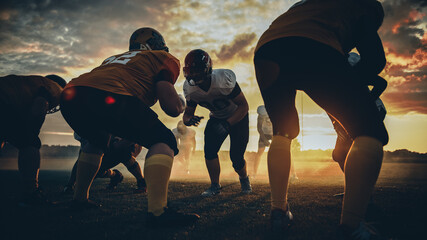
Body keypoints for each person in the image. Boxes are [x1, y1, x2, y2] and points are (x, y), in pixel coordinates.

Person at [253, 0, 389, 239]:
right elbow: (375, 60)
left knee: (282, 131)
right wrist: (347, 85)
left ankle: (278, 211)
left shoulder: (305, 7)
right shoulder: (362, 7)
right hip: (314, 45)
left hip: (267, 49)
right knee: (370, 130)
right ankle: (352, 227)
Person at [60, 27, 199, 226]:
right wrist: (182, 102)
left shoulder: (113, 58)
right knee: (164, 140)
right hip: (109, 94)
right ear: (157, 45)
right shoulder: (162, 57)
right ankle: (158, 212)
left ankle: (79, 199)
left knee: (96, 141)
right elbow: (171, 108)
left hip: (72, 95)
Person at [182, 49, 252, 197]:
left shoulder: (222, 80)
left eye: (197, 70)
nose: (193, 74)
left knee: (236, 158)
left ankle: (244, 178)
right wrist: (189, 120)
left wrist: (228, 124)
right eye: (191, 71)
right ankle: (215, 185)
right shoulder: (190, 89)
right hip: (216, 117)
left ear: (207, 69)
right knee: (210, 151)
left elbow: (244, 106)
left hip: (238, 116)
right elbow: (187, 114)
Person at [0, 74, 66, 206]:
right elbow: (40, 104)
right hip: (4, 102)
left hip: (5, 99)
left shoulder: (27, 83)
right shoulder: (53, 88)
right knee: (30, 142)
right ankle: (31, 193)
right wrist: (32, 132)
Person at [63, 133, 146, 194]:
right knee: (92, 171)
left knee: (123, 152)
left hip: (119, 142)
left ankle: (141, 181)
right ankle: (115, 175)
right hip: (101, 144)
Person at [252, 105, 298, 181]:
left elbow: (282, 126)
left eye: (263, 116)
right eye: (261, 116)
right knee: (259, 152)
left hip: (276, 131)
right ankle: (254, 174)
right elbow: (259, 128)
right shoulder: (261, 115)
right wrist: (264, 140)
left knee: (286, 152)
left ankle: (293, 174)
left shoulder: (276, 114)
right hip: (265, 133)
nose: (261, 117)